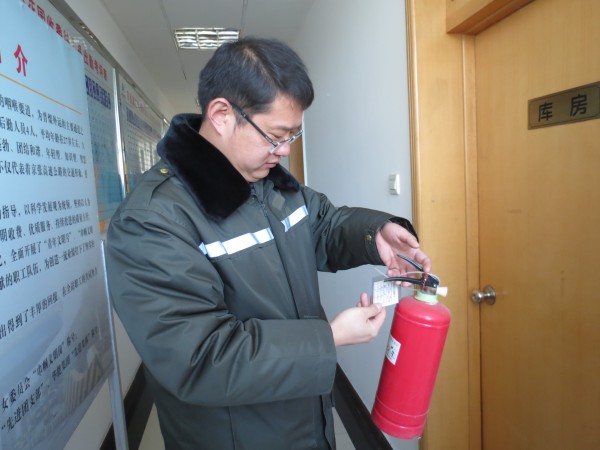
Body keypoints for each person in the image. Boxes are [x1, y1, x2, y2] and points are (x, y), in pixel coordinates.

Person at [105, 37, 431, 450]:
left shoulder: (272, 184)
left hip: (306, 417)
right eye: (276, 136)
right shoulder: (151, 221)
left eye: (293, 135)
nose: (285, 151)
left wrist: (375, 233)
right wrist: (327, 339)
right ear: (222, 115)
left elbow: (324, 224)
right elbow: (200, 357)